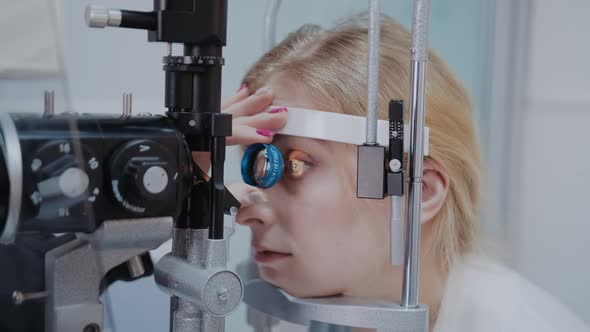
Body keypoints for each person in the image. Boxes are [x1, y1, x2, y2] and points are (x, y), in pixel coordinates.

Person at [196, 15, 590, 332]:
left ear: (423, 191)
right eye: (258, 165)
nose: (248, 212)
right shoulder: (305, 316)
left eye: (297, 164)